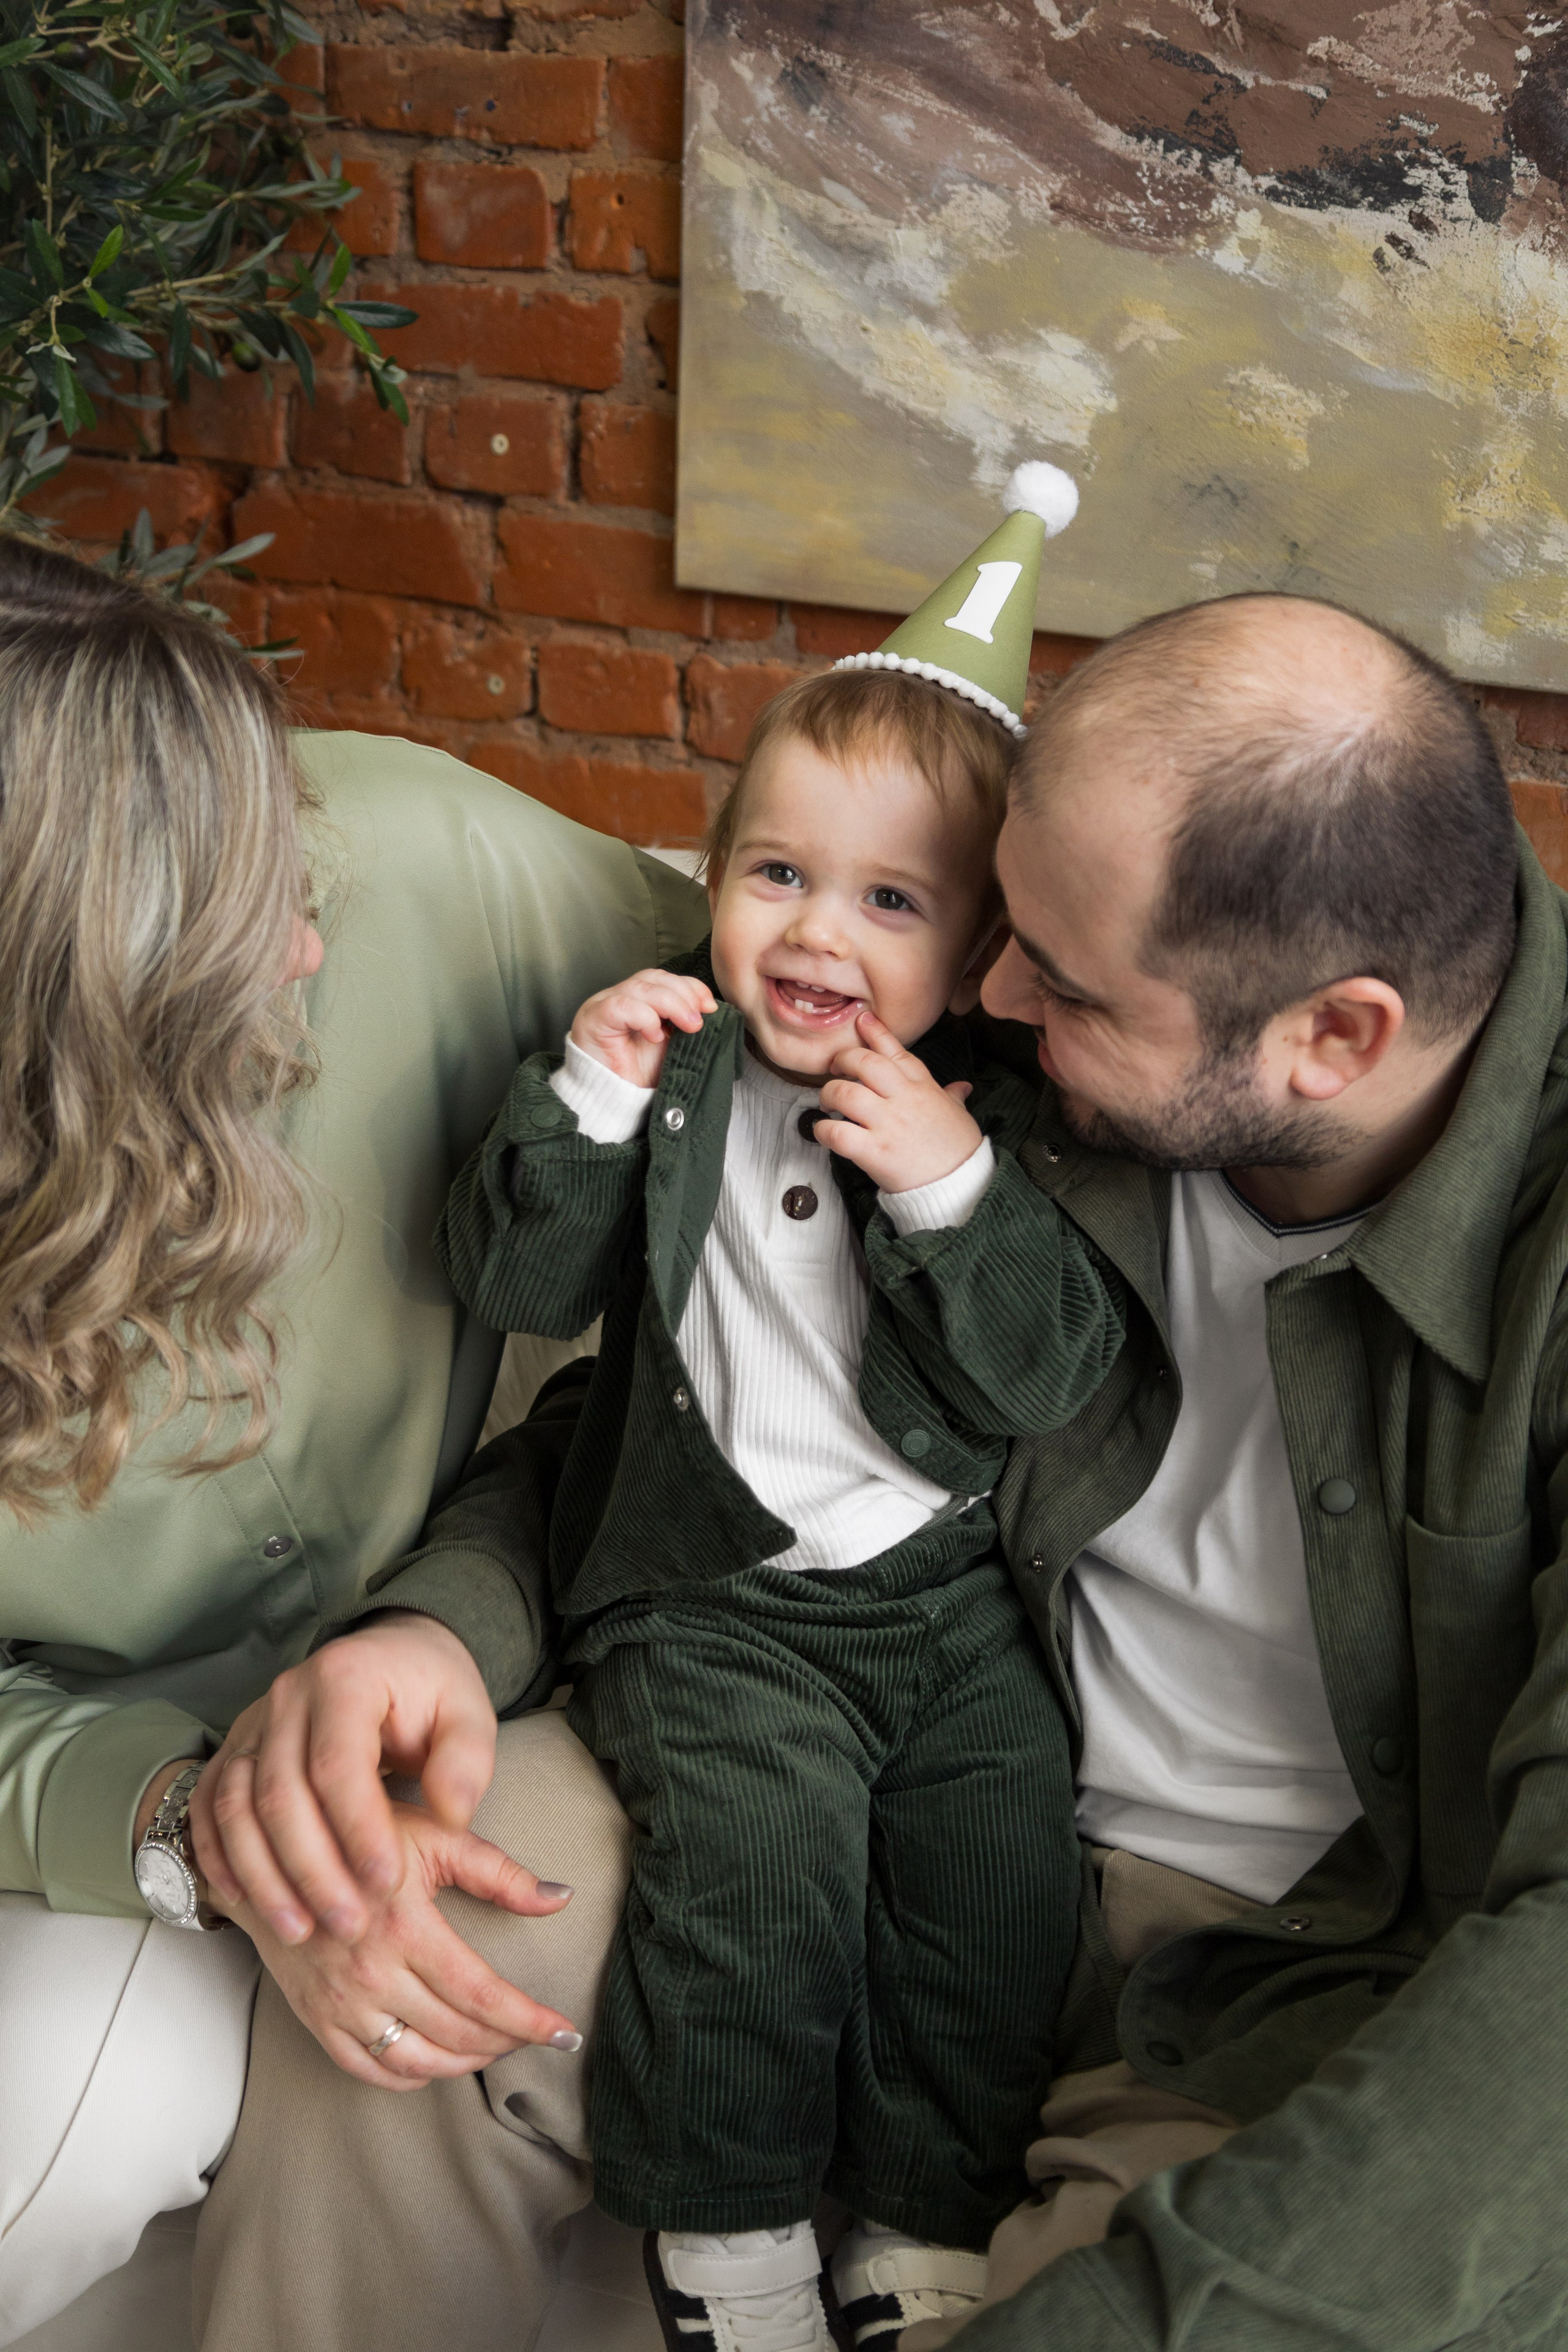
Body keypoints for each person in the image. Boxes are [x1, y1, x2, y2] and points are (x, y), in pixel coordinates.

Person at [200, 581, 1568, 2352]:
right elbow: (700, 1419)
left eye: (1054, 982)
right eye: (996, 926)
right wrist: (438, 1631)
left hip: (1294, 1980)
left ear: (1335, 1036)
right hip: (819, 1717)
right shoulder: (1010, 1064)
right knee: (404, 1942)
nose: (982, 994)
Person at [0, 533, 706, 2348]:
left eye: (283, 853)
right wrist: (199, 1828)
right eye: (237, 912)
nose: (313, 934)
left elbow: (795, 975)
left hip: (494, 1658)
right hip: (93, 1787)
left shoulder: (422, 864)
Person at [435, 657, 1126, 2352]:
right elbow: (517, 1280)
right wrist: (587, 1093)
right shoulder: (669, 1068)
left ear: (976, 955)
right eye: (778, 875)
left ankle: (924, 2222)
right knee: (756, 1877)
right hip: (714, 1589)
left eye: (890, 900)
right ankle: (730, 2234)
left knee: (1000, 1868)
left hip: (945, 1590)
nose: (820, 933)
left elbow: (1052, 1379)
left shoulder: (997, 1122)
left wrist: (953, 1182)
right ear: (715, 871)